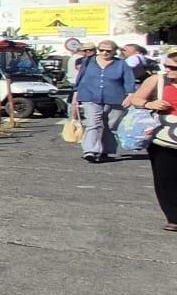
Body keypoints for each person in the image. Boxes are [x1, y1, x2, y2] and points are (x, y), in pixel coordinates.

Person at [124, 49, 177, 230]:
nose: (169, 70)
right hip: (163, 137)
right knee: (166, 179)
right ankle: (174, 218)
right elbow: (136, 99)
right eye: (167, 66)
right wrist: (150, 104)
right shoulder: (157, 80)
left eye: (174, 68)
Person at [72, 40, 133, 162]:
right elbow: (80, 79)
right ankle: (90, 151)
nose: (104, 53)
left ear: (114, 51)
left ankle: (106, 150)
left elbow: (129, 81)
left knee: (110, 125)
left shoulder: (121, 64)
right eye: (101, 50)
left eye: (108, 51)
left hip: (115, 98)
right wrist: (75, 95)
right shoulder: (88, 62)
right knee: (93, 123)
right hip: (90, 96)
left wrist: (130, 95)